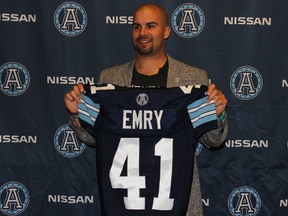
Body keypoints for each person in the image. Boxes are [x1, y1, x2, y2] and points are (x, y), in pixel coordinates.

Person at [64, 3, 228, 216]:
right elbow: (99, 139)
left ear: (166, 31)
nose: (143, 33)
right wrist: (78, 114)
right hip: (124, 204)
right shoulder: (109, 79)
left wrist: (218, 114)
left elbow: (213, 141)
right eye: (137, 26)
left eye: (151, 26)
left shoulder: (193, 78)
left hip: (177, 204)